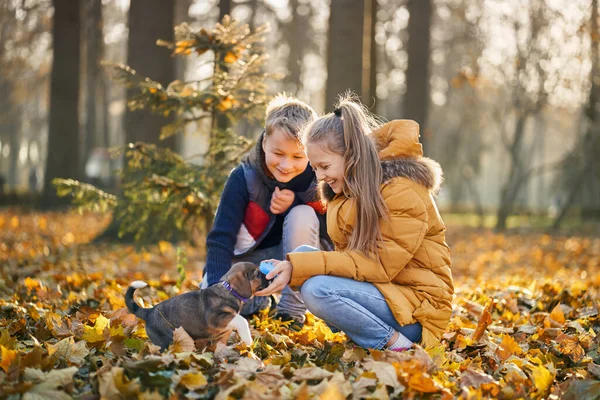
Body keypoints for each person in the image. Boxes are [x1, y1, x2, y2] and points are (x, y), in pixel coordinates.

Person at [256, 94, 454, 350]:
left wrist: (301, 267)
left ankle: (400, 346)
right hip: (388, 297)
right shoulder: (346, 193)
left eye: (324, 166)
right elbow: (350, 260)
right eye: (314, 168)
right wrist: (291, 265)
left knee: (317, 289)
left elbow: (379, 265)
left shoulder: (401, 191)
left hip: (419, 310)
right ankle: (373, 335)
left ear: (351, 155)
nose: (320, 177)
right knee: (303, 255)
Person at [201, 93, 331, 330]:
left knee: (303, 214)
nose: (286, 165)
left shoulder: (320, 180)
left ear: (310, 152)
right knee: (208, 300)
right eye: (278, 154)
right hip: (249, 263)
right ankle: (260, 301)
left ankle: (291, 312)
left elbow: (333, 231)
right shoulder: (243, 178)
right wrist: (217, 292)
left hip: (297, 262)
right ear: (264, 143)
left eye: (297, 156)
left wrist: (294, 204)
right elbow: (220, 239)